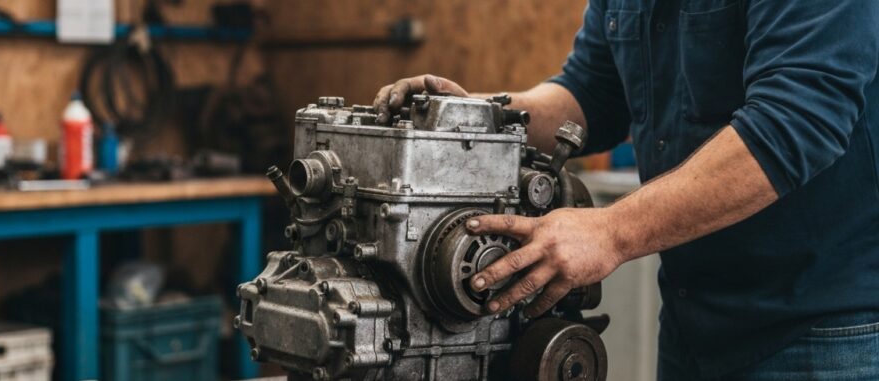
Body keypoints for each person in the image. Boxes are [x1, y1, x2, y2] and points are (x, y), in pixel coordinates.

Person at [373, 1, 879, 380]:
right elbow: (592, 92)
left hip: (823, 329)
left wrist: (612, 232)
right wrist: (477, 115)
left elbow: (797, 120)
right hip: (693, 322)